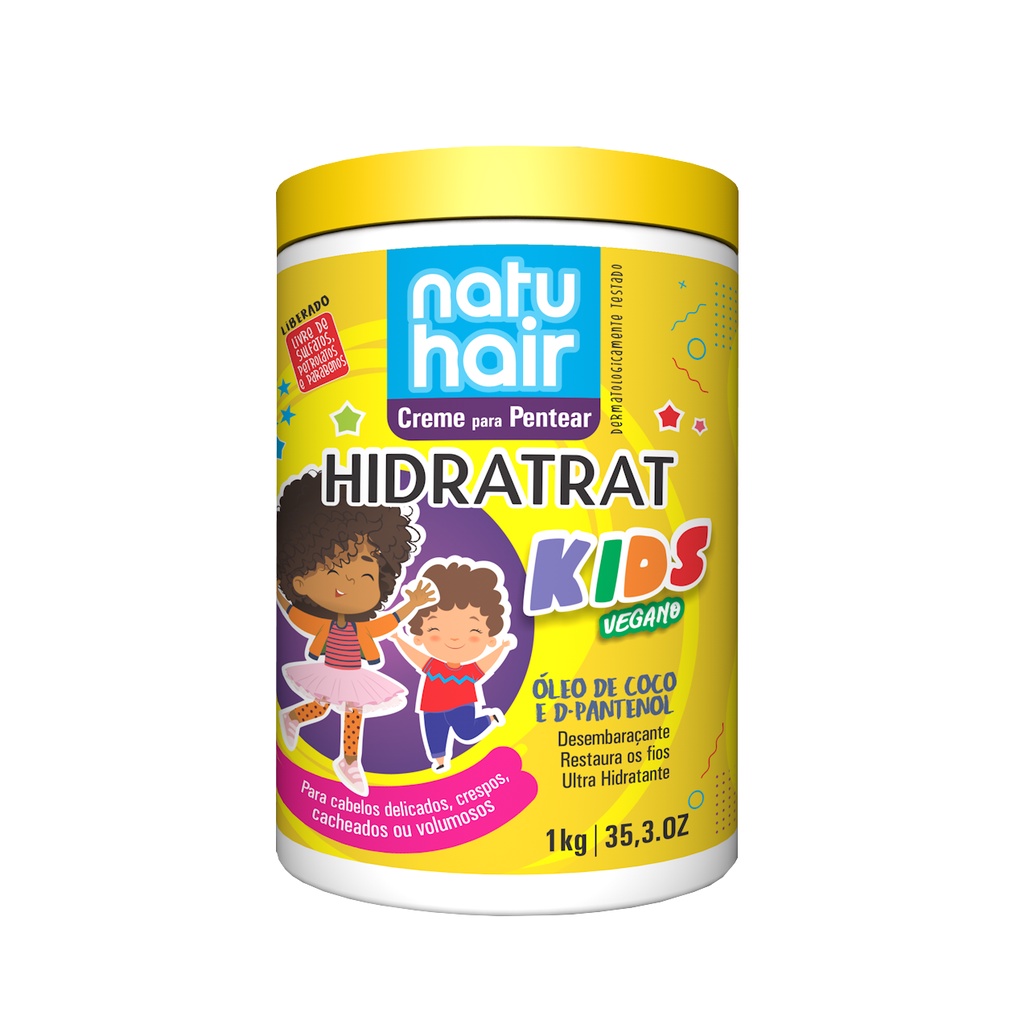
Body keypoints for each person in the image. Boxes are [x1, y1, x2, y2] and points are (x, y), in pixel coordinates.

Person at [277, 469, 437, 795]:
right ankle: (293, 718)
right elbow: (294, 614)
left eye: (366, 574)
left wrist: (413, 603)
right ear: (301, 581)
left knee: (353, 712)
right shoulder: (321, 622)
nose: (351, 581)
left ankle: (349, 761)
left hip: (354, 675)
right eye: (336, 568)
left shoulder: (362, 626)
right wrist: (278, 592)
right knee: (322, 706)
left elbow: (389, 622)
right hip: (329, 672)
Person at [389, 559, 515, 773]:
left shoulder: (469, 670)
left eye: (473, 631)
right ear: (419, 636)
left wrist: (502, 648)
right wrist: (399, 639)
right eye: (436, 629)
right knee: (434, 735)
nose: (454, 638)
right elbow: (415, 656)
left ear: (489, 638)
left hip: (463, 705)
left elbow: (486, 664)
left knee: (466, 732)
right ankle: (439, 760)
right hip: (431, 708)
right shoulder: (432, 665)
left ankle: (489, 718)